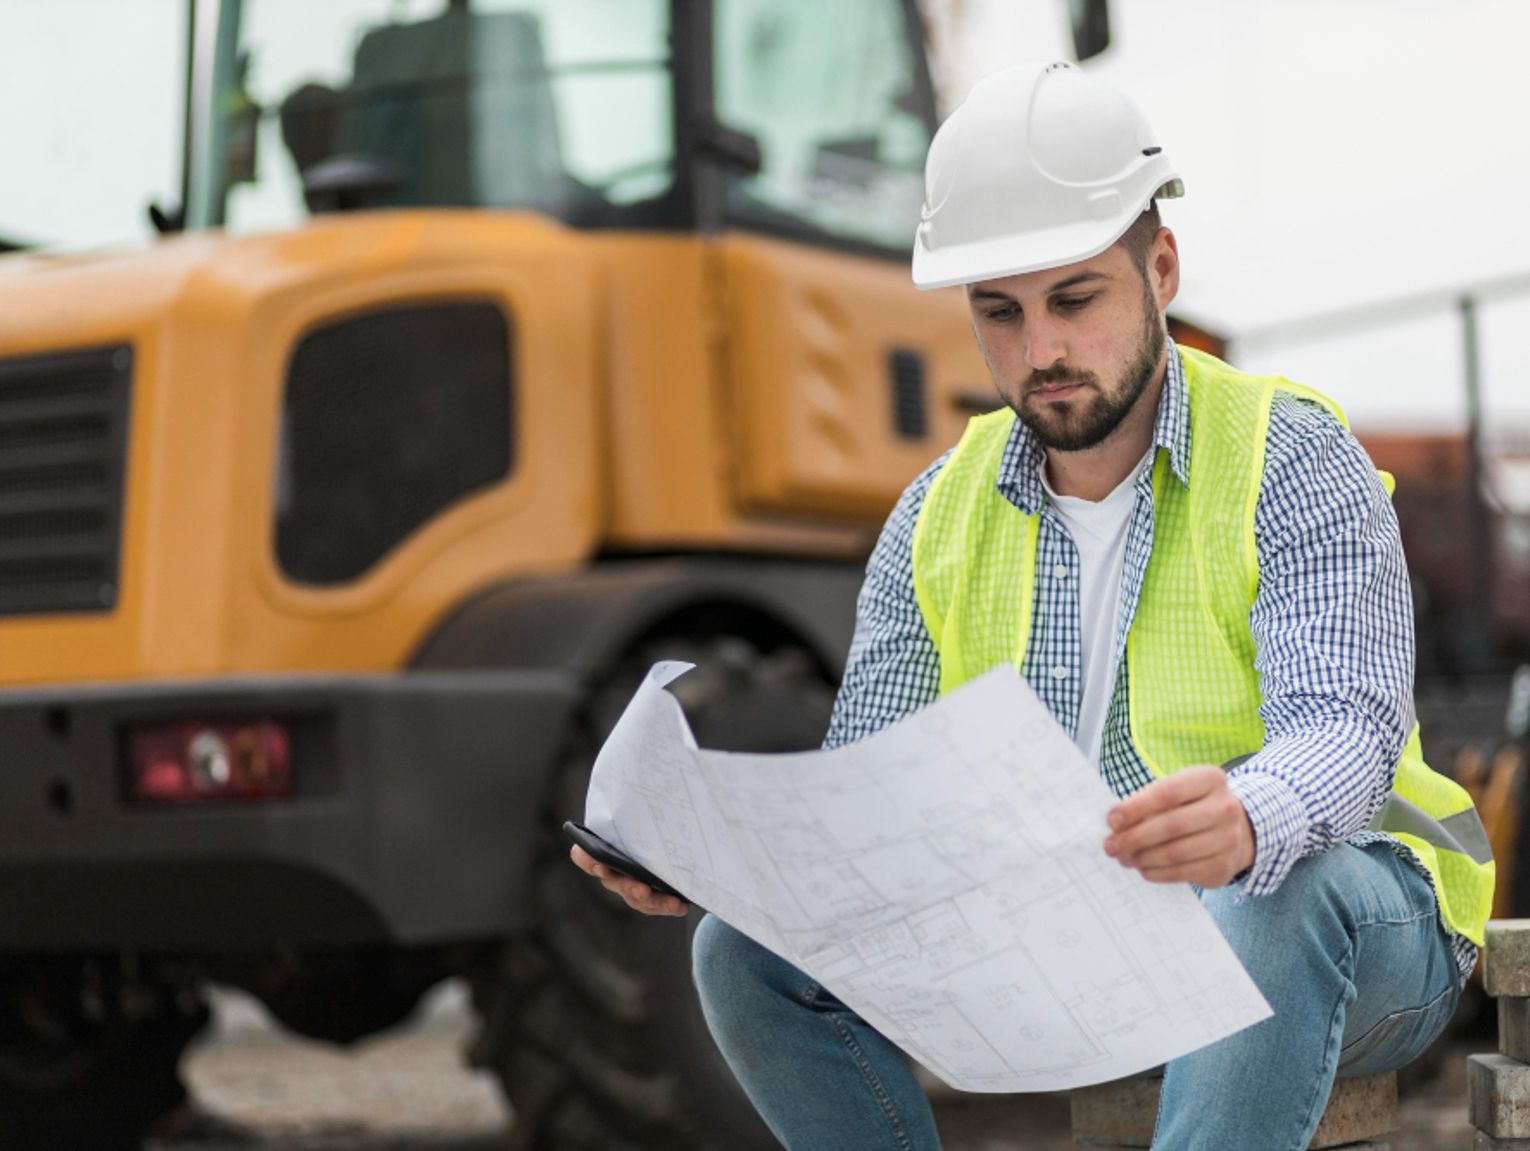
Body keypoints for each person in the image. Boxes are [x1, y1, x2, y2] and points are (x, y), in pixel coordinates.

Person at [571, 60, 1494, 1150]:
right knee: (738, 950)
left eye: (1074, 298)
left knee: (1266, 896)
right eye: (998, 312)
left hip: (1353, 927)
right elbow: (881, 793)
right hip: (1084, 941)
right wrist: (729, 864)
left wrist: (1253, 815)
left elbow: (1348, 724)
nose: (1040, 351)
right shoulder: (936, 512)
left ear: (1160, 267)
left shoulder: (1289, 453)